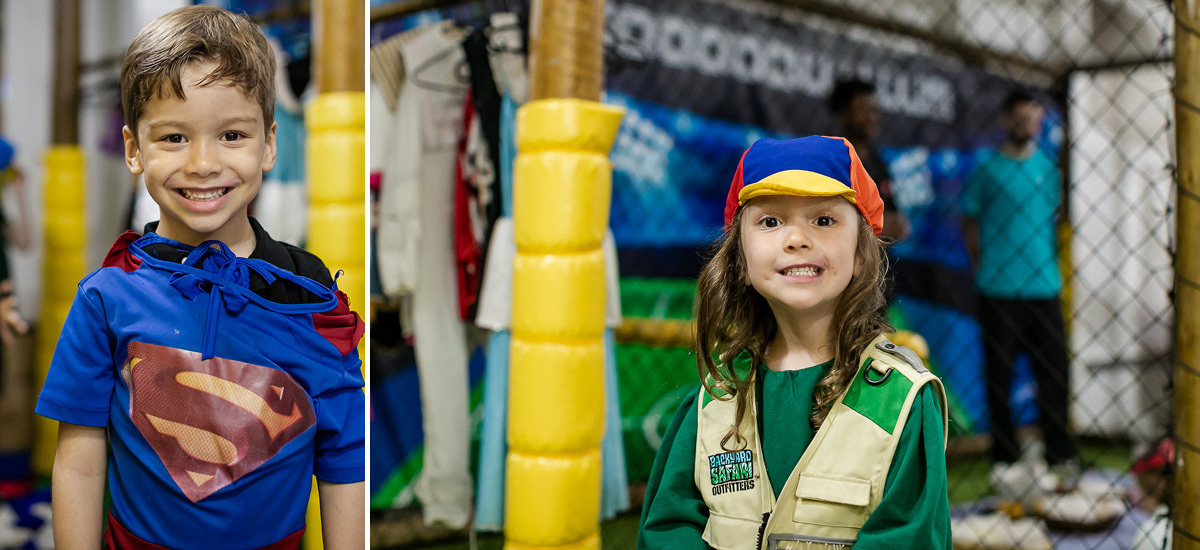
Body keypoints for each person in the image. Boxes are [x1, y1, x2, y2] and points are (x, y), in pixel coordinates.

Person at [34, 6, 364, 549]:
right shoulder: (106, 298)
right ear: (134, 150)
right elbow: (79, 460)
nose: (203, 163)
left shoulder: (316, 306)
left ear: (269, 145)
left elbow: (345, 460)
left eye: (231, 134)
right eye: (173, 138)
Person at [638, 136, 950, 549]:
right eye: (770, 222)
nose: (796, 239)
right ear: (740, 261)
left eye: (824, 220)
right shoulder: (714, 400)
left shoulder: (902, 402)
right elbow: (668, 529)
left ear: (860, 255)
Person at [962, 90, 1078, 474]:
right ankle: (1005, 457)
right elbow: (969, 221)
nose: (1028, 125)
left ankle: (1059, 454)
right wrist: (982, 263)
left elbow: (1054, 217)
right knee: (1000, 377)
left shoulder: (1048, 167)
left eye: (1034, 118)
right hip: (998, 288)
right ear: (1006, 119)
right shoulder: (987, 169)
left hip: (1045, 285)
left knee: (1055, 374)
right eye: (1021, 117)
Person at [829, 79, 909, 243]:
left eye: (874, 110)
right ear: (842, 115)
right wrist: (876, 226)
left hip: (875, 255)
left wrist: (897, 224)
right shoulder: (832, 161)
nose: (872, 118)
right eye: (863, 110)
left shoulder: (878, 163)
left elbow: (893, 216)